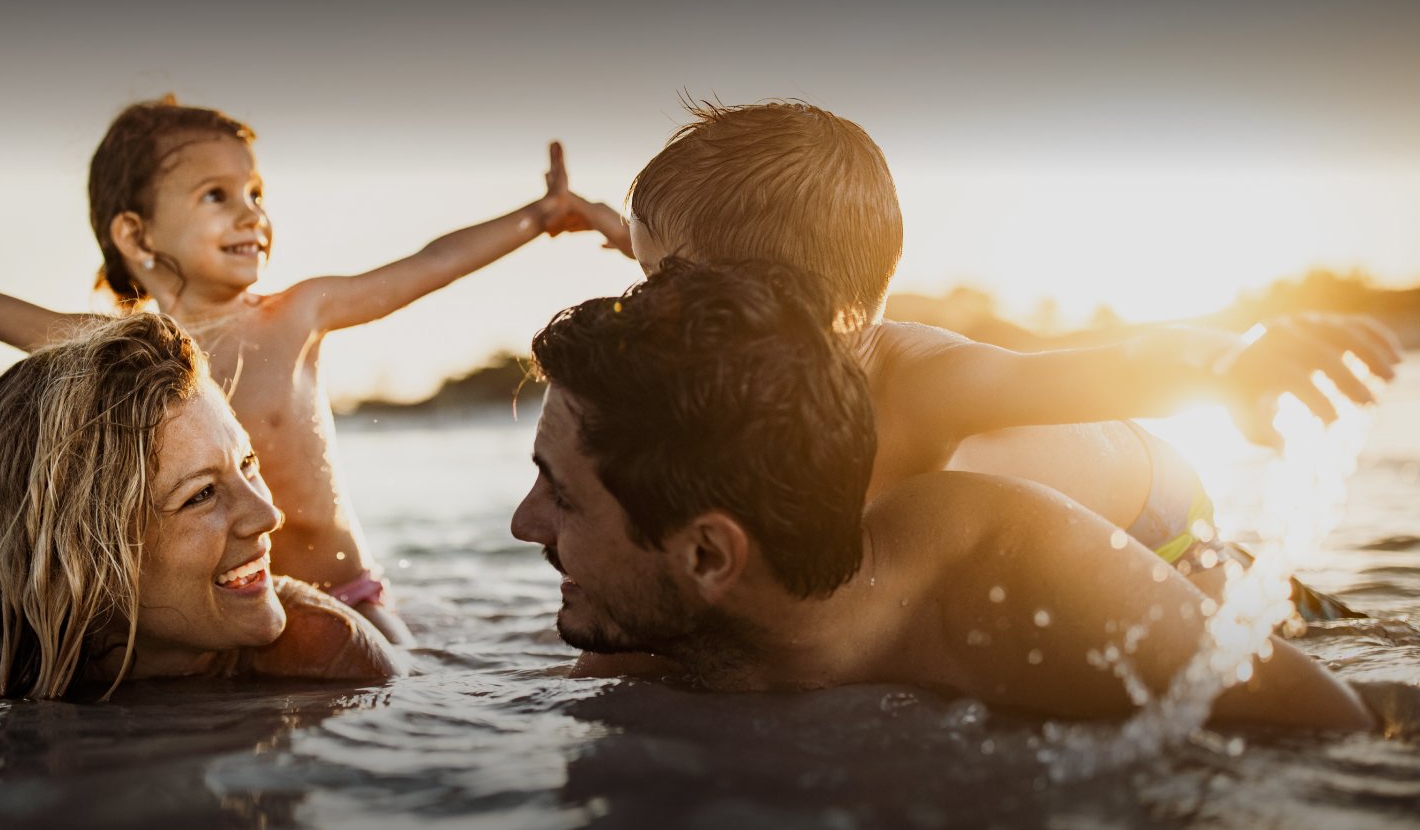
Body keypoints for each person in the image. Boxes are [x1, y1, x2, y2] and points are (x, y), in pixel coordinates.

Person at [0, 97, 618, 644]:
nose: (252, 213)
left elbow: (429, 262)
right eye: (217, 196)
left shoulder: (298, 314)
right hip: (217, 617)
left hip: (348, 597)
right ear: (134, 235)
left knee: (390, 693)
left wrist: (540, 216)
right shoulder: (110, 353)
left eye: (256, 192)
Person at [606, 100, 1402, 616]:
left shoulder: (915, 378)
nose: (642, 304)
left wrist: (1231, 363)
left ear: (779, 296)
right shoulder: (762, 368)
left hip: (1163, 536)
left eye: (654, 277)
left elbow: (1124, 362)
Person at [510, 258, 1374, 730]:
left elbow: (1333, 732)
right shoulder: (650, 625)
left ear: (709, 555)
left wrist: (1232, 360)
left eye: (562, 495)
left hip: (1169, 526)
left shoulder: (1014, 584)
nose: (523, 524)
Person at [0, 312, 403, 700]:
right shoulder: (4, 669)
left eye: (248, 464)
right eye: (201, 494)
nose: (268, 515)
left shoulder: (330, 655)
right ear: (79, 558)